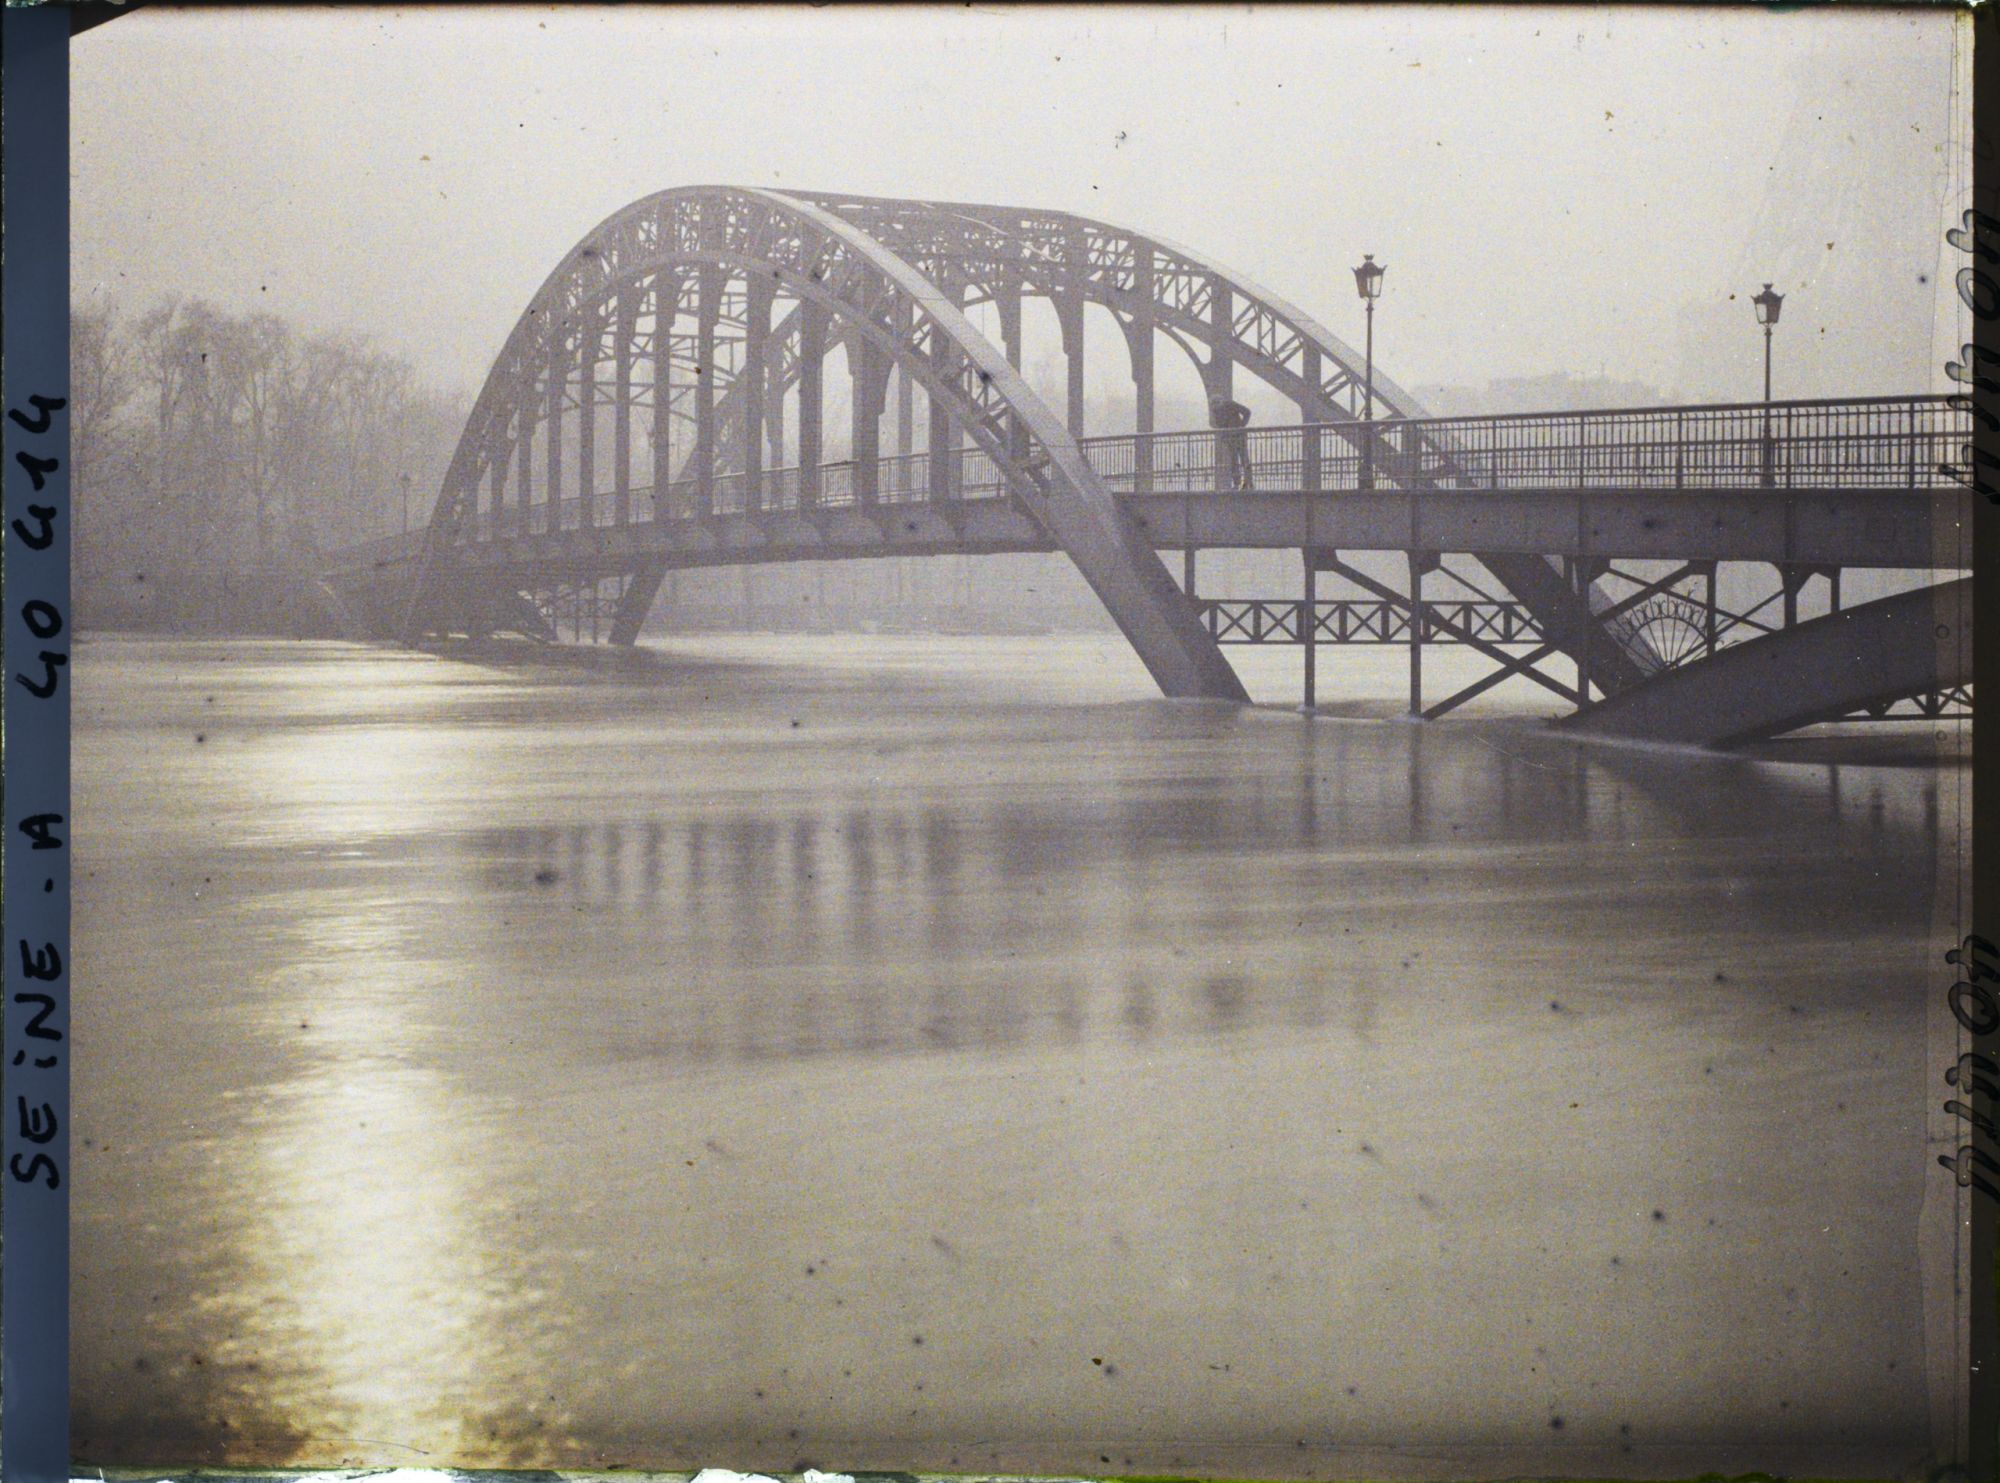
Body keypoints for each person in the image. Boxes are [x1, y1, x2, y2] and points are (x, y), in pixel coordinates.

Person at [1209, 395, 1253, 490]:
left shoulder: (1230, 404)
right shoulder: (1215, 411)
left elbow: (1247, 412)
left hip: (1239, 436)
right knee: (1234, 461)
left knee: (1243, 459)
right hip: (1230, 438)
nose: (1215, 408)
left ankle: (1248, 483)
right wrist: (1224, 436)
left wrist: (1241, 425)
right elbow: (1219, 425)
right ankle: (1237, 484)